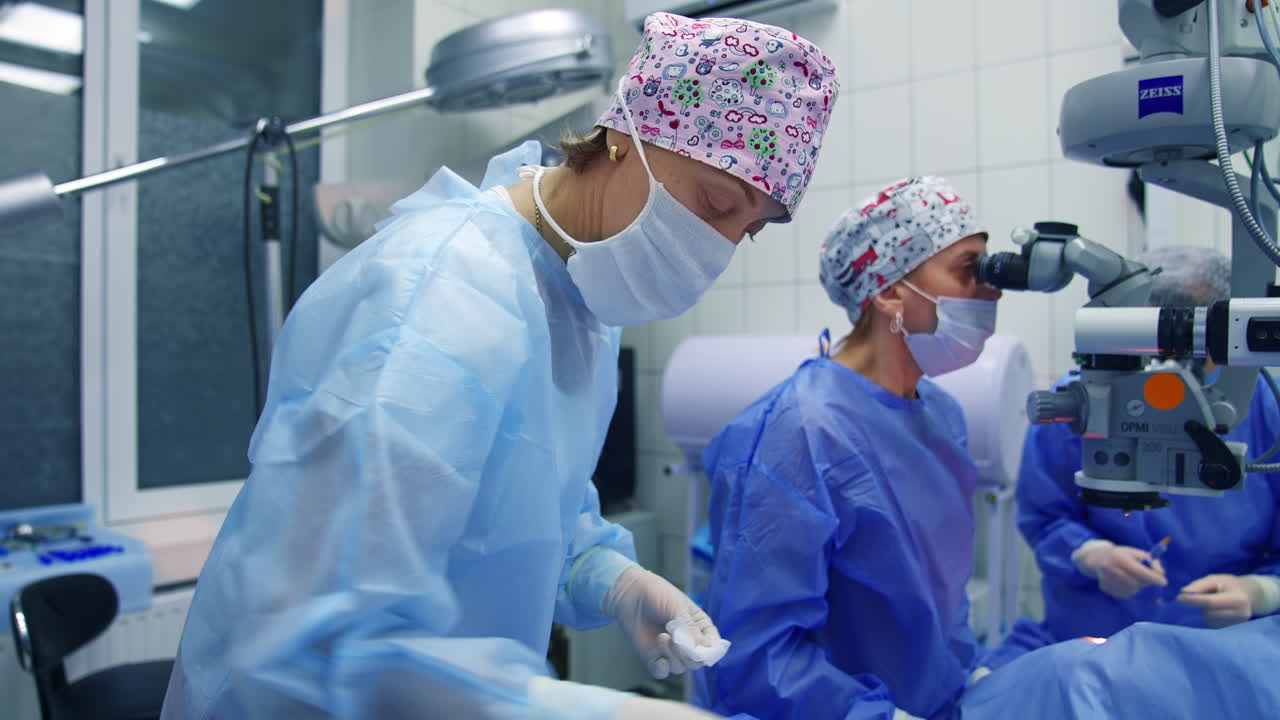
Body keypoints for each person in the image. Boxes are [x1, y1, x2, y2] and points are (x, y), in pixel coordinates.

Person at [160, 12, 840, 720]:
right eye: (717, 203)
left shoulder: (581, 303)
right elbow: (312, 643)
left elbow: (524, 510)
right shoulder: (436, 300)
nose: (719, 248)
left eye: (747, 231)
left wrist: (612, 577)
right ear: (625, 135)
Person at [696, 177, 1002, 720]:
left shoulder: (941, 417)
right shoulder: (797, 433)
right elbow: (756, 657)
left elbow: (940, 599)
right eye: (968, 269)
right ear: (889, 291)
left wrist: (964, 675)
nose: (992, 289)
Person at [989, 246, 1280, 668]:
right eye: (1152, 350)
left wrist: (1258, 592)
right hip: (1094, 643)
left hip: (1219, 654)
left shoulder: (1266, 411)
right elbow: (1044, 515)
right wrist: (1092, 555)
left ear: (1226, 335)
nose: (1166, 372)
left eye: (1190, 353)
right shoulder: (1086, 400)